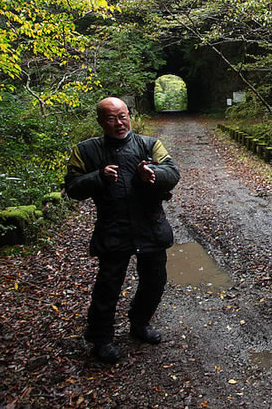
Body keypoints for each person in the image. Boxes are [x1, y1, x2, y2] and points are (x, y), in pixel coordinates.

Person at [65, 97, 180, 363]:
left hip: (150, 225)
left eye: (122, 116)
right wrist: (98, 177)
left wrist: (151, 173)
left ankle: (139, 324)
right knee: (108, 286)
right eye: (111, 118)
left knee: (154, 282)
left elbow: (172, 172)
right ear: (100, 121)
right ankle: (101, 338)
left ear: (130, 115)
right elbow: (72, 187)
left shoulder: (149, 144)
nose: (119, 123)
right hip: (113, 227)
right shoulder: (86, 151)